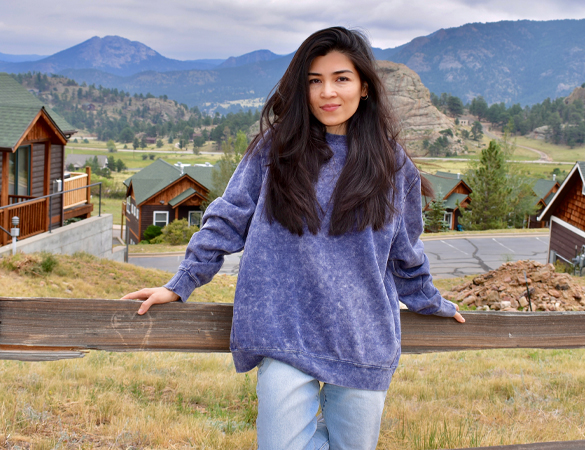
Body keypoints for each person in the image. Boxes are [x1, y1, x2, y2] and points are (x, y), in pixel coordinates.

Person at [122, 26, 465, 450]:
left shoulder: (393, 167)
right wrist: (182, 282)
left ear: (364, 87)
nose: (327, 92)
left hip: (360, 339)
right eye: (314, 81)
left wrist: (431, 301)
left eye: (341, 78)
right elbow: (228, 218)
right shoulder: (275, 150)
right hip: (283, 330)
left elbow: (405, 253)